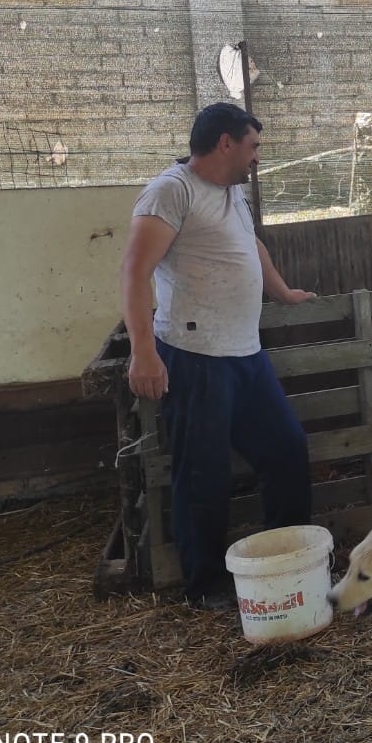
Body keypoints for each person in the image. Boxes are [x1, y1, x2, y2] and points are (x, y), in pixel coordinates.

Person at [121, 102, 318, 609]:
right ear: (226, 143)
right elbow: (134, 272)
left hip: (245, 353)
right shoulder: (171, 191)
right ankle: (205, 584)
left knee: (286, 451)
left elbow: (250, 246)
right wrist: (144, 352)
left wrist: (281, 292)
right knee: (203, 472)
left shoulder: (231, 193)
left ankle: (289, 560)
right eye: (252, 146)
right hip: (195, 355)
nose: (257, 156)